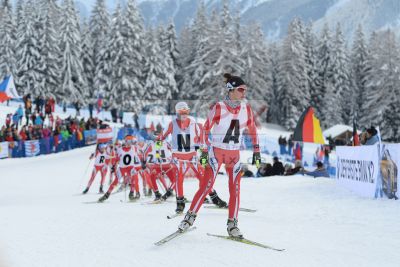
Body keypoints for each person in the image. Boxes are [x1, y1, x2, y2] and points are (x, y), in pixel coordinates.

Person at [178, 73, 261, 238]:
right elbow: (205, 129)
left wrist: (256, 151)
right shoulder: (219, 107)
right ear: (230, 90)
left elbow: (252, 130)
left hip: (234, 155)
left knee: (235, 190)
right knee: (206, 186)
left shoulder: (247, 109)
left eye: (245, 89)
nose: (244, 93)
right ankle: (189, 218)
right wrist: (203, 151)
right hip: (216, 153)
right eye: (240, 89)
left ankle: (233, 225)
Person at [157, 102, 227, 214]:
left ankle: (214, 198)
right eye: (181, 112)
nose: (184, 114)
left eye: (186, 112)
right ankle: (180, 203)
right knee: (178, 178)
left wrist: (204, 153)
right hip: (178, 158)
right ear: (177, 112)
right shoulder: (172, 124)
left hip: (193, 157)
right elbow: (161, 137)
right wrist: (158, 143)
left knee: (203, 177)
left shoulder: (195, 125)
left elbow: (203, 140)